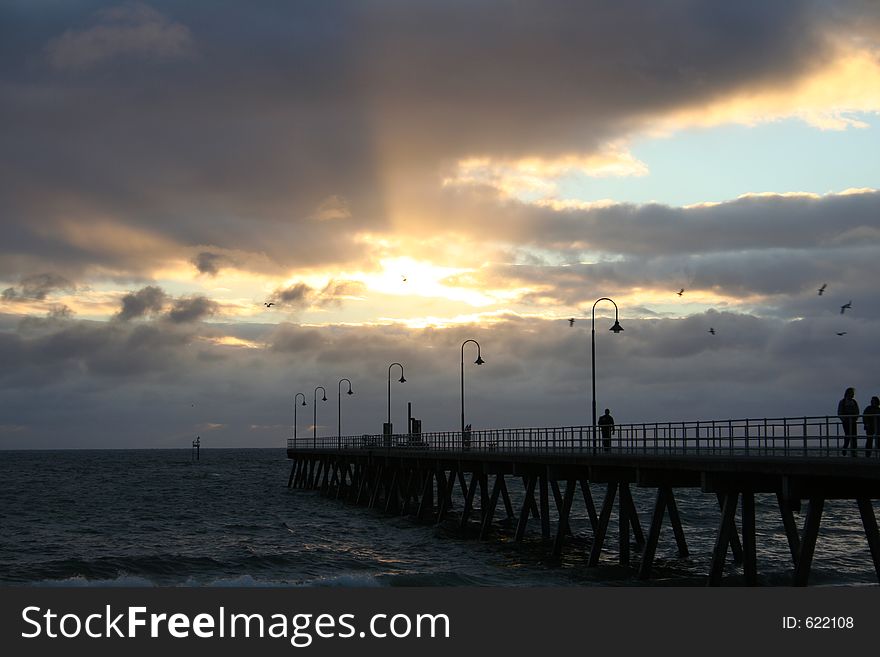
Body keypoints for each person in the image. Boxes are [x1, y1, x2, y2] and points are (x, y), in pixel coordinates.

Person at [837, 387, 860, 456]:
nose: (853, 395)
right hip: (846, 421)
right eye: (852, 393)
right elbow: (839, 412)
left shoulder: (854, 402)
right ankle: (845, 448)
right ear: (848, 393)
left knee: (854, 436)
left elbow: (857, 411)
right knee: (848, 435)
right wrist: (843, 419)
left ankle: (854, 452)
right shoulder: (843, 401)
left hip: (853, 421)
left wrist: (855, 418)